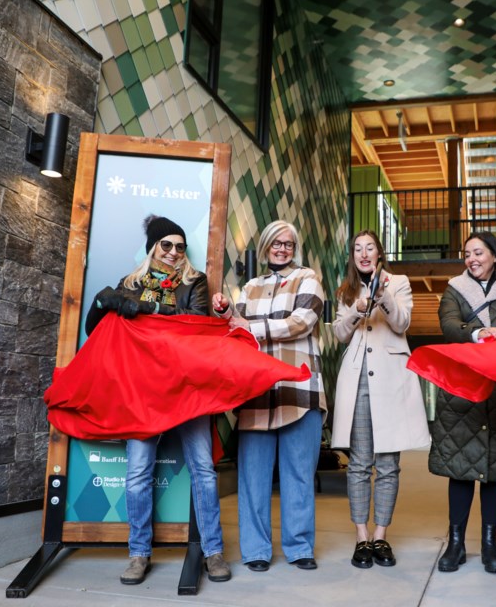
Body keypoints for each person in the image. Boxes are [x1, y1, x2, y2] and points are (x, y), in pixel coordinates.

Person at [84, 215, 231, 586]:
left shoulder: (194, 282)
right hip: (144, 392)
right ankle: (138, 554)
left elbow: (196, 324)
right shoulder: (130, 284)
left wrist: (150, 310)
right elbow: (96, 331)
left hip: (188, 389)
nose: (174, 252)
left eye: (180, 246)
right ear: (153, 247)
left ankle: (213, 551)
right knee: (136, 476)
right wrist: (103, 302)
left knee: (204, 471)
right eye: (167, 245)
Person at [212, 220, 326, 572]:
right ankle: (256, 550)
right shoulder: (250, 287)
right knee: (253, 477)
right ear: (265, 247)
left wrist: (252, 327)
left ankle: (299, 547)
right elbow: (236, 329)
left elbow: (301, 322)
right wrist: (225, 312)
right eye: (276, 243)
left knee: (298, 474)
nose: (282, 248)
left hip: (299, 389)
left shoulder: (308, 278)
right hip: (257, 391)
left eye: (288, 243)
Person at [429, 231, 496, 575]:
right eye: (467, 254)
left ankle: (490, 543)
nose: (471, 259)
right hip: (462, 392)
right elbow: (448, 326)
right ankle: (456, 543)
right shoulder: (454, 290)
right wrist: (478, 334)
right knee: (459, 469)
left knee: (495, 471)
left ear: (493, 255)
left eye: (478, 252)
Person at [330, 231, 431, 569]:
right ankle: (361, 538)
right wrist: (356, 311)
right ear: (352, 256)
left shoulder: (398, 282)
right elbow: (339, 333)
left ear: (379, 252)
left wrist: (383, 295)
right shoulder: (345, 290)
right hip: (357, 377)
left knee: (388, 464)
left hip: (390, 377)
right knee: (358, 464)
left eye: (369, 247)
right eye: (357, 249)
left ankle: (381, 535)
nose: (363, 253)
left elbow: (402, 323)